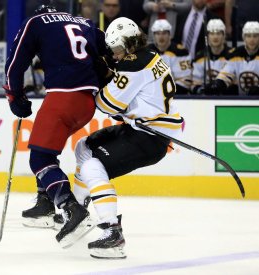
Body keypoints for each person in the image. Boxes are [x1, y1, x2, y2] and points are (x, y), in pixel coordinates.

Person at [73, 17, 183, 259]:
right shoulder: (148, 55)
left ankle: (112, 232)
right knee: (84, 146)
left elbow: (107, 104)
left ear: (127, 42)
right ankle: (77, 209)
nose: (114, 54)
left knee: (93, 165)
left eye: (116, 48)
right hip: (141, 130)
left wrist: (99, 77)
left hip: (149, 138)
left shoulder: (133, 65)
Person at [4, 5, 113, 247]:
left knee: (40, 159)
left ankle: (71, 208)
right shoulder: (85, 23)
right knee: (47, 149)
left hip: (64, 97)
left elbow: (15, 63)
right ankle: (44, 203)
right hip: (87, 103)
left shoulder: (35, 22)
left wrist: (15, 96)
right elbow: (110, 51)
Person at [213, 21, 259, 95]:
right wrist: (217, 84)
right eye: (248, 36)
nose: (252, 39)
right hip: (240, 101)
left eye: (255, 36)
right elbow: (226, 74)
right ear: (244, 37)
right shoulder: (235, 54)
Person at [148, 19, 192, 94]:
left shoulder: (180, 52)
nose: (161, 37)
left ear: (170, 35)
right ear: (154, 35)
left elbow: (186, 80)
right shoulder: (147, 51)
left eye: (164, 33)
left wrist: (168, 91)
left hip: (176, 95)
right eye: (158, 34)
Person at [191, 19, 232, 94]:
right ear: (207, 37)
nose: (215, 37)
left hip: (227, 100)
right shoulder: (199, 57)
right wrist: (202, 90)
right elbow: (195, 83)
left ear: (224, 36)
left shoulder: (232, 56)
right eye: (212, 34)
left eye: (218, 33)